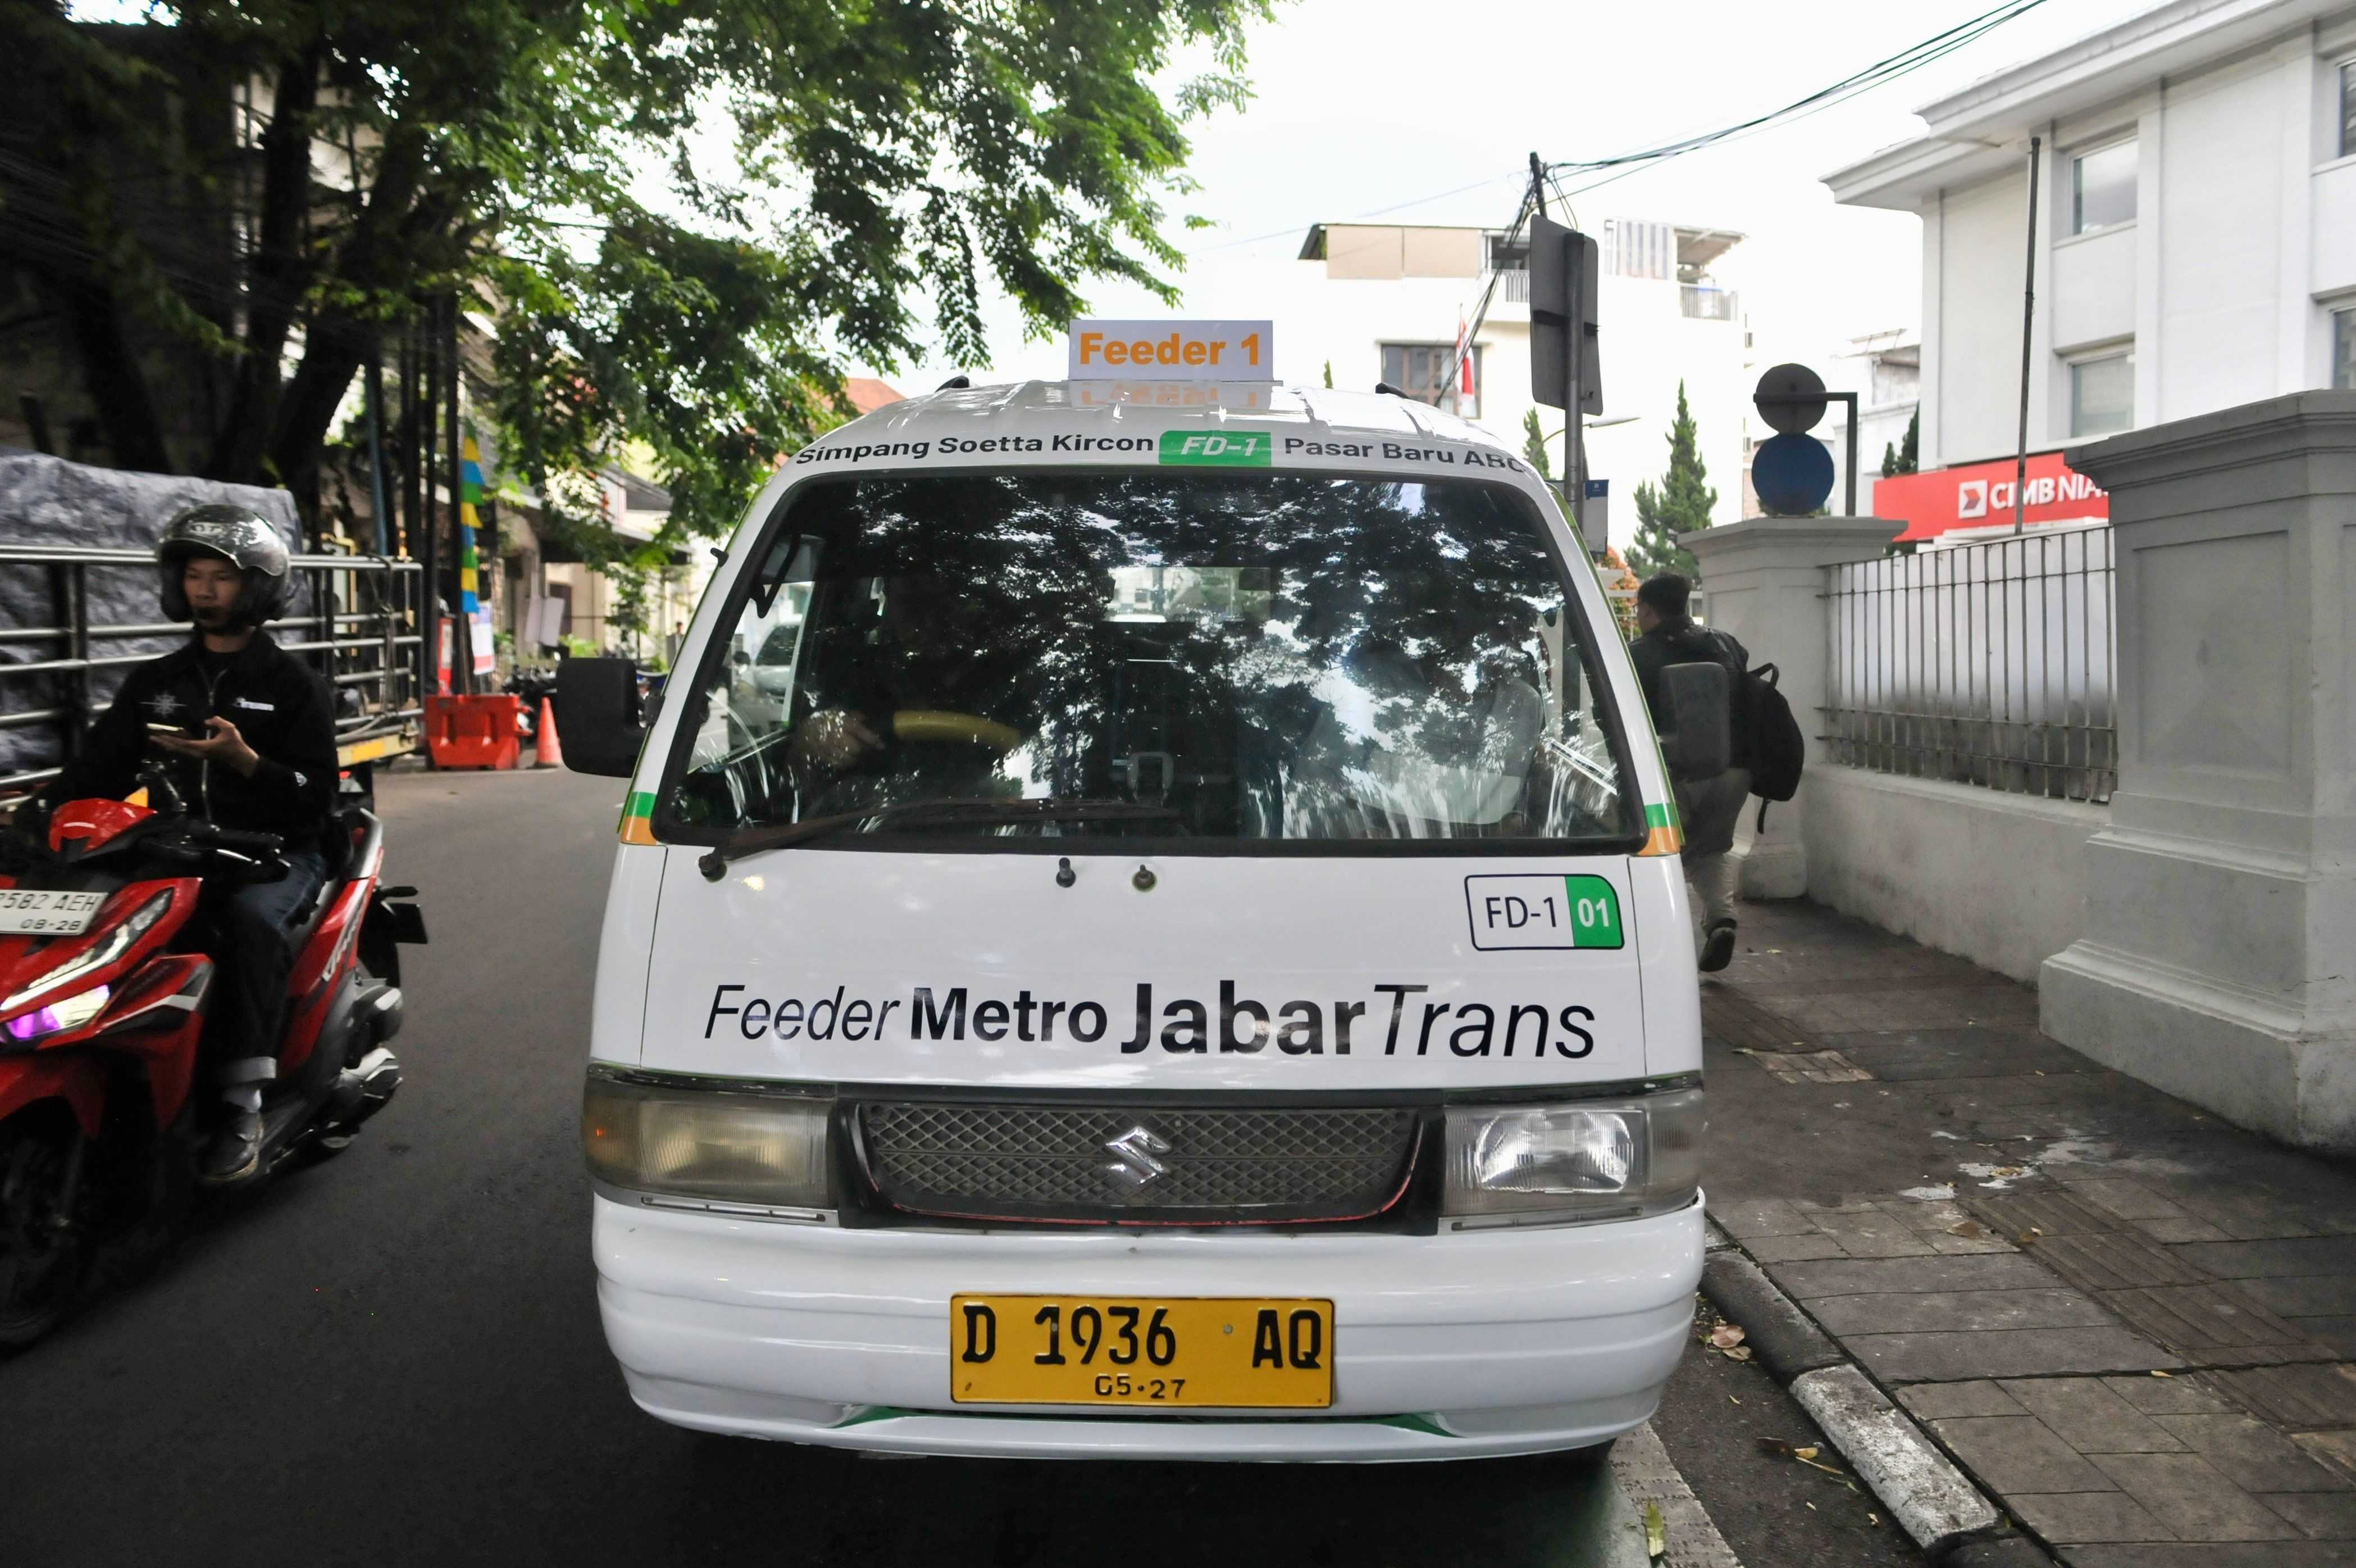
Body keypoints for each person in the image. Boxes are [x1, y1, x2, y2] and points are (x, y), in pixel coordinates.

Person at [35, 505, 339, 1183]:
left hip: (276, 850)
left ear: (257, 587)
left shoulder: (293, 687)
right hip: (175, 850)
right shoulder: (155, 684)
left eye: (221, 578)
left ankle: (241, 1104)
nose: (204, 590)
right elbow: (90, 775)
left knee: (247, 922)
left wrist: (246, 763)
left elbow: (317, 793)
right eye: (194, 575)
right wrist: (33, 818)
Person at [1629, 572, 1750, 974]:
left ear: (1647, 609)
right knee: (1710, 849)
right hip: (1731, 769)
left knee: (1658, 854)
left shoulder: (1638, 654)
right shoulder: (1725, 644)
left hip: (1669, 775)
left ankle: (1660, 943)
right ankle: (1721, 919)